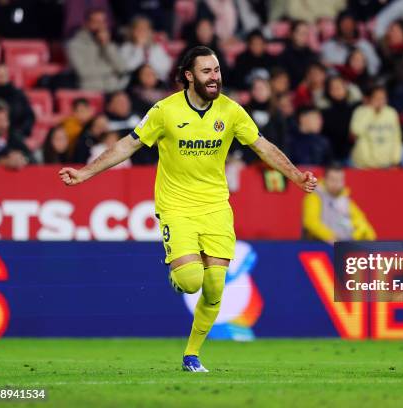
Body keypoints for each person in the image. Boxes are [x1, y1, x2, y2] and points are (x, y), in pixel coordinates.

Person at [58, 46, 317, 372]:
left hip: (216, 208)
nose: (215, 77)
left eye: (217, 70)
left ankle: (191, 355)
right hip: (176, 208)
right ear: (189, 76)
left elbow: (262, 146)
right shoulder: (165, 111)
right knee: (192, 280)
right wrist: (84, 172)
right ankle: (179, 275)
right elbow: (129, 144)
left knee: (215, 287)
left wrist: (295, 175)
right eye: (207, 71)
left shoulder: (231, 111)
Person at [302, 163, 376, 244]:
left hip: (344, 247)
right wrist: (330, 236)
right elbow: (310, 221)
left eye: (339, 180)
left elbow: (361, 222)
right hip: (320, 246)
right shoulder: (315, 196)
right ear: (325, 179)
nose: (336, 184)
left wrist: (368, 238)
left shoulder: (346, 200)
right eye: (333, 179)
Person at [66, 8, 129, 92]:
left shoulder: (109, 44)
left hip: (114, 90)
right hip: (91, 91)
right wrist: (112, 70)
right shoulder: (74, 45)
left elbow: (123, 68)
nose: (100, 26)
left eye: (103, 22)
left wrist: (106, 45)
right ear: (86, 23)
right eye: (96, 22)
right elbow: (83, 72)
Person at [350, 85, 402, 169]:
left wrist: (396, 160)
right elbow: (355, 132)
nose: (380, 101)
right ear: (369, 99)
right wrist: (370, 111)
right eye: (376, 98)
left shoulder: (391, 113)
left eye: (383, 98)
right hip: (364, 165)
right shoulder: (360, 111)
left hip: (387, 164)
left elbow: (397, 137)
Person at [119, 16, 172, 81]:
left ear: (150, 32)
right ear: (133, 31)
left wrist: (149, 70)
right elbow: (127, 68)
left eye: (145, 29)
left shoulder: (156, 47)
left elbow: (166, 67)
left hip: (155, 82)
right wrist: (138, 48)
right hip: (133, 83)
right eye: (139, 29)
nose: (142, 32)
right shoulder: (126, 47)